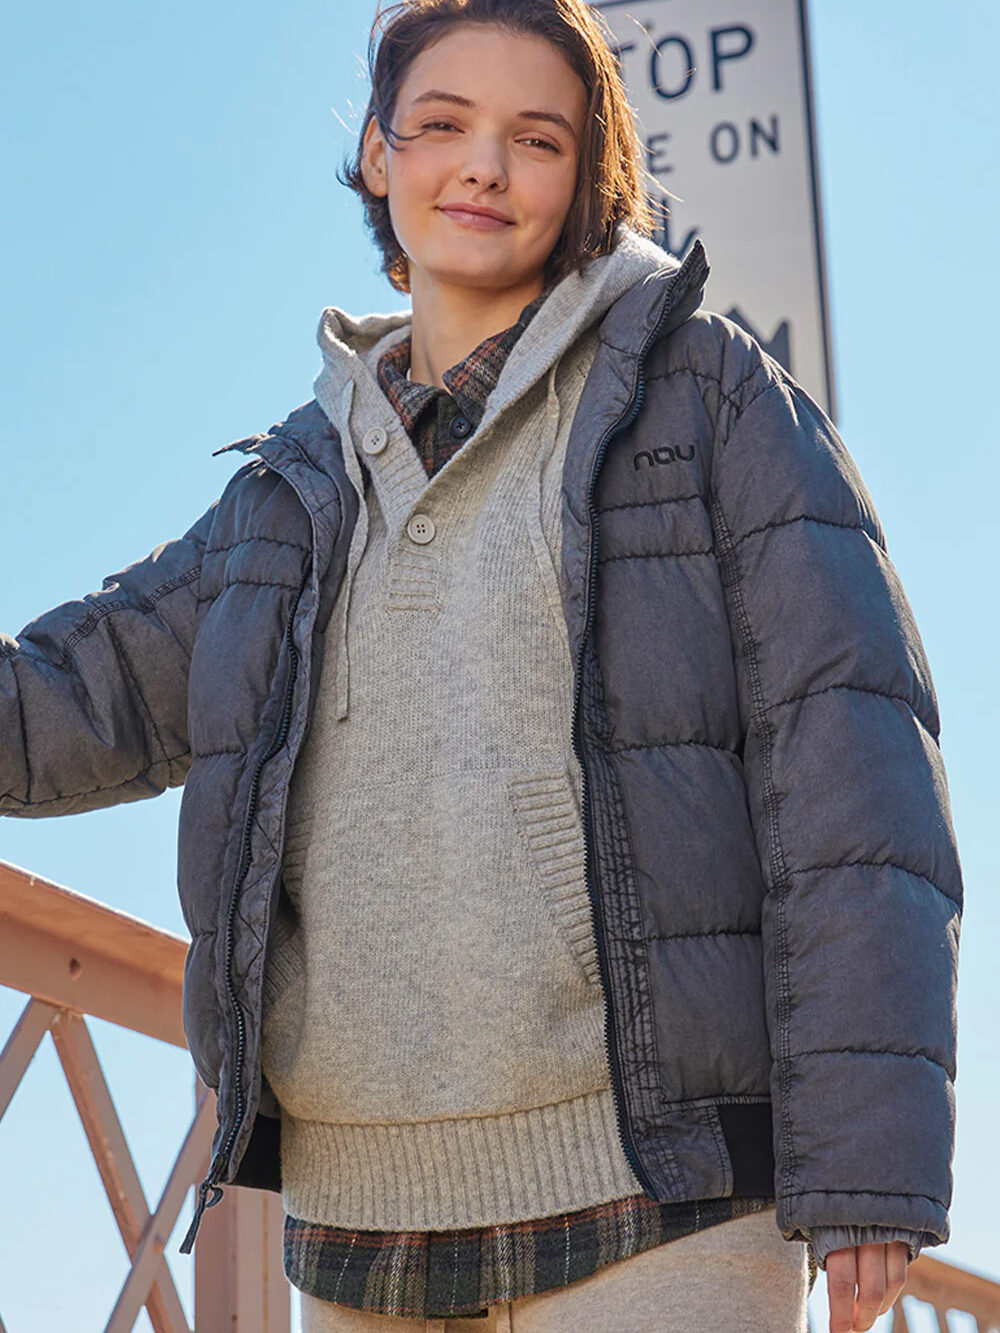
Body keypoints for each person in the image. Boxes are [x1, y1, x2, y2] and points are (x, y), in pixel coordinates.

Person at [0, 1, 962, 1330]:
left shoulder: (710, 397)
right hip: (357, 1231)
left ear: (589, 179)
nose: (484, 168)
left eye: (538, 138)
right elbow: (68, 698)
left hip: (662, 1214)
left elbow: (854, 773)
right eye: (443, 125)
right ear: (380, 156)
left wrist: (868, 1163)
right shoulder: (290, 489)